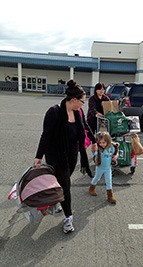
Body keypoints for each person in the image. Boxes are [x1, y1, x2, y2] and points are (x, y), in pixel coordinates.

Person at [33, 79, 92, 234]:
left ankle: (57, 200)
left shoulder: (77, 113)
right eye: (82, 101)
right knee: (65, 186)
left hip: (72, 155)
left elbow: (82, 132)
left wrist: (94, 141)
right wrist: (38, 156)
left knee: (61, 183)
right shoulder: (53, 112)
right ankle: (68, 218)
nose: (82, 104)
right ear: (73, 100)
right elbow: (45, 136)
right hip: (55, 156)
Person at [88, 131, 118, 204]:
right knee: (97, 178)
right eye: (100, 143)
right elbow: (95, 153)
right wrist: (94, 149)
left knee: (109, 181)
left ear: (108, 141)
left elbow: (116, 153)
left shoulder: (112, 147)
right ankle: (91, 188)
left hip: (108, 167)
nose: (102, 144)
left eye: (104, 142)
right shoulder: (99, 149)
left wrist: (115, 157)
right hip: (100, 167)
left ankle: (110, 196)